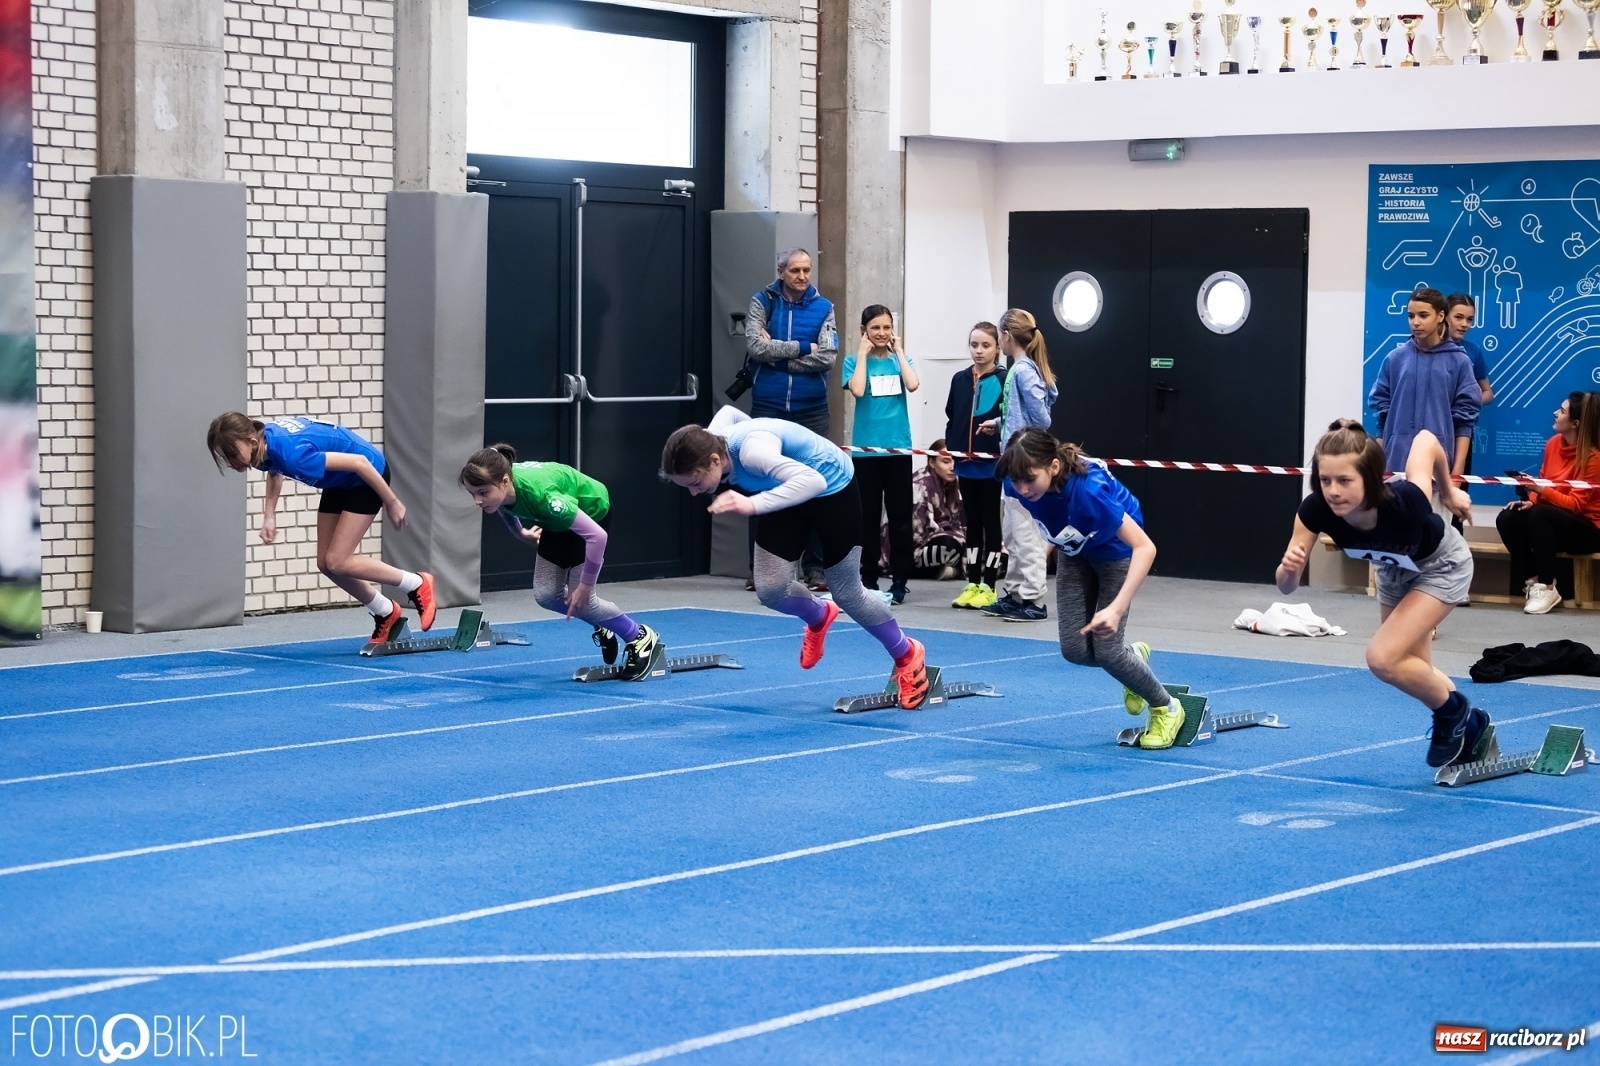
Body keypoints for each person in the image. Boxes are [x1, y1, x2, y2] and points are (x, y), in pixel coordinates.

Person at [660, 406, 929, 709]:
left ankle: (907, 653)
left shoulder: (753, 453)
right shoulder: (712, 437)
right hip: (788, 488)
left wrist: (753, 504)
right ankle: (819, 615)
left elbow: (814, 482)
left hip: (832, 489)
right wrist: (769, 441)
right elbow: (730, 411)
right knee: (770, 589)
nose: (695, 493)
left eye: (695, 483)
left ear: (714, 460)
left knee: (847, 592)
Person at [1276, 420, 1491, 770]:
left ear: (1370, 478)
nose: (1333, 491)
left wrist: (1449, 491)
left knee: (1382, 658)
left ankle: (1453, 712)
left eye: (1345, 481)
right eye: (1325, 480)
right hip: (1392, 573)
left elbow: (1426, 439)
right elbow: (1286, 587)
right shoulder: (1315, 510)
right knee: (1415, 669)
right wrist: (1290, 568)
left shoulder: (1407, 500)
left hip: (1441, 565)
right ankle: (1470, 724)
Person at [998, 427, 1185, 749]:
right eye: (1017, 482)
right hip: (1075, 552)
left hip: (1116, 552)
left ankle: (1166, 708)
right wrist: (1047, 548)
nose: (1023, 489)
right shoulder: (1016, 481)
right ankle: (1134, 659)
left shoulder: (1089, 491)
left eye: (1029, 479)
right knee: (1074, 651)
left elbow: (1145, 547)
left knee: (1108, 652)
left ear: (1053, 466)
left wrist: (1115, 609)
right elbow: (1049, 515)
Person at [206, 413, 434, 645]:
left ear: (252, 442)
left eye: (232, 454)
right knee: (326, 564)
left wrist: (392, 501)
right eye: (225, 458)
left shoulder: (292, 453)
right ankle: (385, 610)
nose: (230, 463)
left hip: (368, 476)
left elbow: (360, 463)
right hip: (339, 481)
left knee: (338, 561)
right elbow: (274, 471)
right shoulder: (263, 445)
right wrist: (269, 516)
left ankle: (416, 583)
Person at [459, 444, 661, 679]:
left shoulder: (543, 497)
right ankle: (603, 622)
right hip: (554, 521)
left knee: (586, 602)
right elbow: (505, 505)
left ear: (505, 482)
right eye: (472, 494)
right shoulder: (501, 481)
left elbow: (597, 536)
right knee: (546, 595)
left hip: (591, 513)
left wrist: (586, 585)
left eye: (482, 493)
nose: (478, 501)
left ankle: (639, 636)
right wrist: (521, 533)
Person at [744, 248, 839, 589]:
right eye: (795, 270)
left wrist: (778, 357)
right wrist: (802, 347)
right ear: (781, 271)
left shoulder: (824, 307)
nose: (802, 276)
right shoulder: (762, 302)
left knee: (816, 487)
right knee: (762, 485)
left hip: (811, 410)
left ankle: (816, 567)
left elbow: (827, 356)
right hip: (767, 408)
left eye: (807, 270)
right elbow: (755, 347)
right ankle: (762, 570)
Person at [1369, 288, 1480, 514]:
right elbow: (1382, 416)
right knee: (1395, 532)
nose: (1415, 322)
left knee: (1435, 533)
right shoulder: (1394, 359)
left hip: (1438, 475)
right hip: (1394, 471)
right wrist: (1380, 467)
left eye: (1423, 315)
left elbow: (1464, 423)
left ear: (1440, 316)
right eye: (1411, 316)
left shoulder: (1460, 362)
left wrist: (1455, 477)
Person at [984, 308, 1059, 622]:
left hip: (1023, 459)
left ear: (1006, 336)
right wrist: (999, 423)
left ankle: (1033, 598)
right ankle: (1015, 593)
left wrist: (1020, 436)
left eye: (998, 335)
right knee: (1012, 532)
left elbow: (1042, 417)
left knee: (1026, 533)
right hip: (1012, 459)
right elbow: (1019, 410)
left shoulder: (1024, 370)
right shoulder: (1019, 369)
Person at [1495, 392, 1600, 614]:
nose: (1555, 413)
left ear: (1575, 423)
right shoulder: (1552, 444)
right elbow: (1544, 480)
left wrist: (1540, 491)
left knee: (1541, 514)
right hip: (1554, 521)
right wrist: (1532, 500)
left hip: (1589, 529)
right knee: (1508, 517)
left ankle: (1547, 586)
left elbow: (1575, 505)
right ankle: (1534, 580)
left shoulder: (1593, 458)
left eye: (1562, 411)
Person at [843, 305, 919, 603]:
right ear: (864, 330)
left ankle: (900, 579)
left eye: (887, 327)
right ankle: (868, 577)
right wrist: (862, 354)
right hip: (866, 453)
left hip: (897, 449)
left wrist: (899, 351)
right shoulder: (852, 362)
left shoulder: (901, 361)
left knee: (900, 517)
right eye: (875, 328)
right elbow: (857, 390)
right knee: (868, 517)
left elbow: (913, 384)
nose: (882, 333)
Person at [944, 322, 1007, 609]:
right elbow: (952, 414)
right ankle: (972, 583)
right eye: (974, 345)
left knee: (991, 522)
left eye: (985, 345)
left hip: (990, 464)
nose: (979, 351)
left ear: (997, 347)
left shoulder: (1004, 379)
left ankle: (989, 586)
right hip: (964, 464)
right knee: (971, 523)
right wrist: (954, 445)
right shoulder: (959, 379)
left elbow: (1008, 416)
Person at [881, 440, 966, 580]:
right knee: (949, 546)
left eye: (956, 461)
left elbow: (956, 525)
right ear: (931, 462)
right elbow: (915, 536)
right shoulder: (920, 485)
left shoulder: (951, 485)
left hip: (937, 541)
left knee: (982, 542)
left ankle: (950, 568)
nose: (952, 467)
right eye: (946, 462)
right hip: (913, 547)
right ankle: (937, 569)